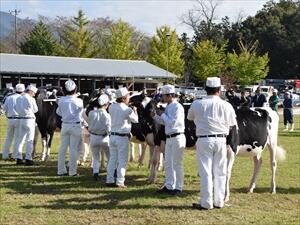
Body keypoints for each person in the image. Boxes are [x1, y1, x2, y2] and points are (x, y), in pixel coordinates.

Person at [187, 77, 237, 210]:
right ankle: (219, 201)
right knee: (220, 171)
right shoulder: (227, 105)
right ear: (219, 90)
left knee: (206, 172)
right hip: (221, 139)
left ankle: (206, 202)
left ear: (205, 89)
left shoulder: (197, 104)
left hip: (204, 139)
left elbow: (190, 117)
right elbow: (232, 124)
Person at [151, 84, 186, 195]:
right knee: (168, 163)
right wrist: (155, 117)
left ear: (170, 95)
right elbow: (164, 122)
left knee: (177, 163)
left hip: (177, 136)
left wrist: (161, 115)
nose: (163, 98)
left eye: (164, 96)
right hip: (169, 137)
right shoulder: (169, 106)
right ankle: (169, 185)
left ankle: (179, 187)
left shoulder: (177, 107)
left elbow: (171, 122)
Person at [106, 87, 138, 188]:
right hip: (122, 137)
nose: (129, 98)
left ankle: (109, 179)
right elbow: (136, 120)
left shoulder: (111, 107)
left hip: (113, 135)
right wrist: (135, 110)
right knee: (122, 160)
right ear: (124, 98)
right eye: (128, 96)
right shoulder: (127, 110)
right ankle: (120, 181)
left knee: (112, 159)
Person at [56, 79, 83, 176]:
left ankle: (60, 170)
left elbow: (58, 112)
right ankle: (72, 171)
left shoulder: (61, 100)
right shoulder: (79, 101)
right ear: (75, 89)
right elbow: (80, 112)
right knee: (74, 149)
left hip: (65, 125)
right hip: (75, 125)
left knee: (62, 148)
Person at [88, 94, 111, 181]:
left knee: (95, 156)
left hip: (93, 137)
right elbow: (109, 128)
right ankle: (111, 172)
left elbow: (89, 124)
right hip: (104, 137)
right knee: (109, 156)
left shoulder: (91, 113)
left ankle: (95, 173)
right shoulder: (107, 115)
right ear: (106, 104)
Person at [15, 85, 38, 165]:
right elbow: (35, 110)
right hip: (29, 119)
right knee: (29, 140)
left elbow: (16, 109)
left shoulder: (18, 98)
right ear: (31, 92)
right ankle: (28, 158)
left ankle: (19, 158)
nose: (34, 95)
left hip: (21, 119)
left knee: (20, 140)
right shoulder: (31, 99)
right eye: (34, 93)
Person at [1, 84, 25, 160]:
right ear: (23, 90)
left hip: (10, 119)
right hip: (19, 119)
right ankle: (15, 155)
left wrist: (8, 114)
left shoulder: (9, 97)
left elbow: (4, 109)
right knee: (18, 138)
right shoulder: (22, 98)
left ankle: (5, 155)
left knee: (8, 138)